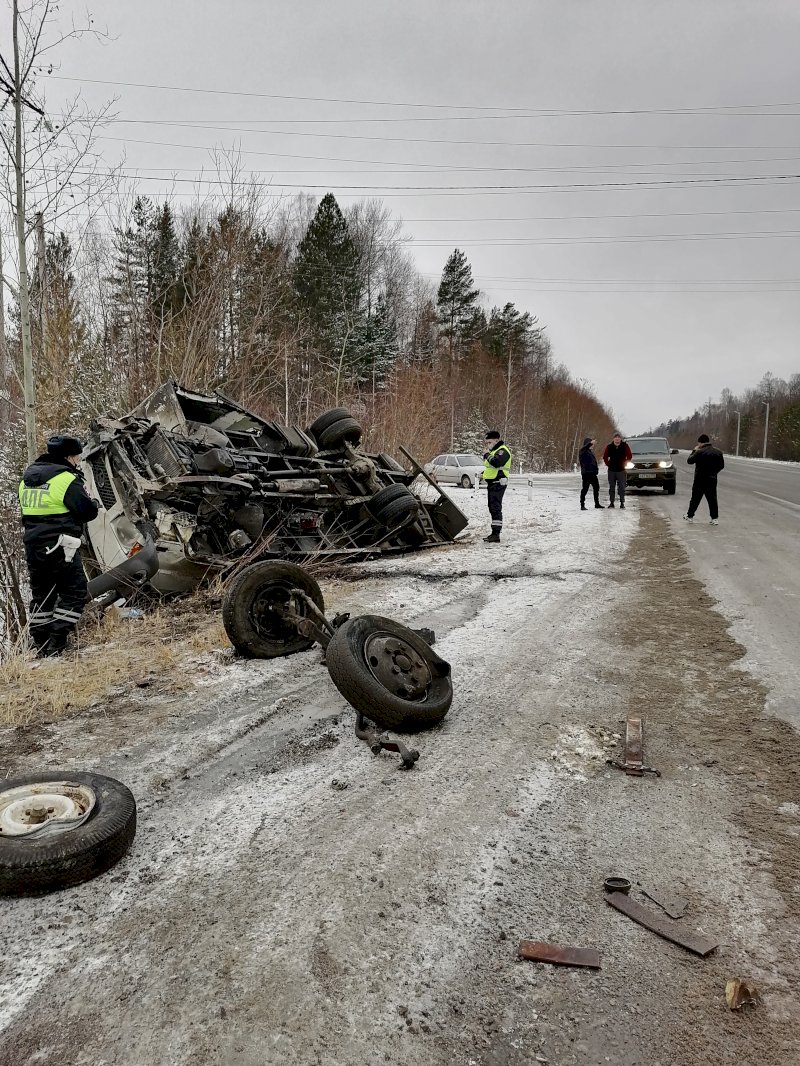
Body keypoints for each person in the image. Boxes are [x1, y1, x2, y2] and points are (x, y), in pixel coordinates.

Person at [18, 435, 99, 656]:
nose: (77, 462)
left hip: (33, 546)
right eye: (76, 457)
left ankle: (41, 643)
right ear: (68, 456)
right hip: (62, 547)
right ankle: (57, 640)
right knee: (74, 591)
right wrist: (93, 503)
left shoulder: (26, 481)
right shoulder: (66, 479)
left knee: (42, 594)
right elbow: (86, 512)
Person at [684, 433, 725, 525]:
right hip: (712, 479)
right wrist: (714, 472)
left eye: (698, 443)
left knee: (695, 498)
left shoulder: (699, 452)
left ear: (701, 443)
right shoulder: (718, 452)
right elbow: (721, 466)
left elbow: (689, 461)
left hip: (699, 479)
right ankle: (714, 518)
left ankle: (690, 516)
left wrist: (694, 450)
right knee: (712, 499)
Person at [482, 430, 512, 543]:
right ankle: (494, 533)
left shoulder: (503, 451)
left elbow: (496, 463)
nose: (488, 444)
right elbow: (491, 467)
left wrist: (487, 455)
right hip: (493, 483)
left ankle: (496, 534)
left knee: (495, 508)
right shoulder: (495, 451)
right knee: (492, 507)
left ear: (496, 440)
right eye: (487, 442)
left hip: (498, 482)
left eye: (489, 442)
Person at [602, 432, 632, 509]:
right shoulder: (609, 447)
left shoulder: (625, 446)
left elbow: (629, 456)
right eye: (616, 437)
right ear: (613, 438)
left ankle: (622, 503)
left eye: (618, 437)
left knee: (622, 487)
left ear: (620, 438)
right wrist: (608, 464)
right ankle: (612, 503)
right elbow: (605, 457)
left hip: (621, 470)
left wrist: (625, 463)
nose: (617, 438)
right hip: (611, 470)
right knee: (612, 487)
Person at [578, 437, 605, 510]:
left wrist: (596, 470)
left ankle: (597, 504)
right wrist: (590, 443)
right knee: (585, 489)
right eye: (591, 444)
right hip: (586, 474)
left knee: (596, 488)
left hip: (593, 474)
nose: (593, 445)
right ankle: (582, 505)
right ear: (587, 444)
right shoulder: (583, 451)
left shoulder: (591, 452)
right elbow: (585, 448)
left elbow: (594, 463)